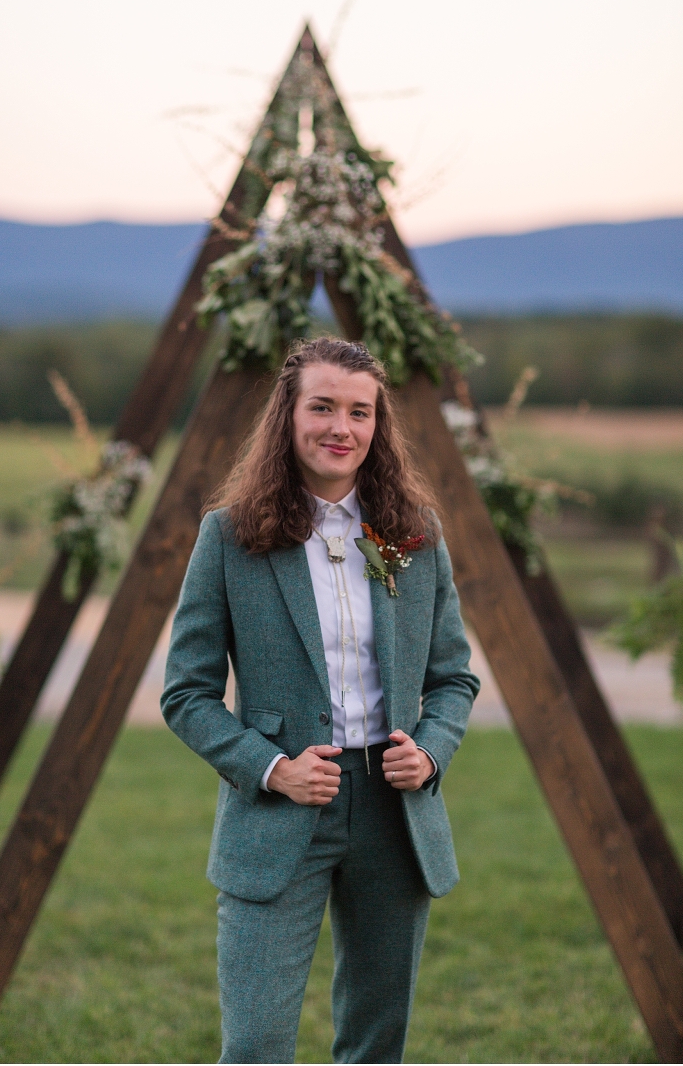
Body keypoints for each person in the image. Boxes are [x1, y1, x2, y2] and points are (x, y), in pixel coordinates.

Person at [161, 337, 480, 1064]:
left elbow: (453, 677)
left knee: (375, 1042)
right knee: (257, 1043)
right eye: (324, 406)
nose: (342, 426)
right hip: (278, 812)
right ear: (289, 414)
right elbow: (186, 694)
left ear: (378, 424)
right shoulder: (230, 537)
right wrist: (272, 767)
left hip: (393, 813)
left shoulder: (410, 534)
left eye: (360, 411)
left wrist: (429, 750)